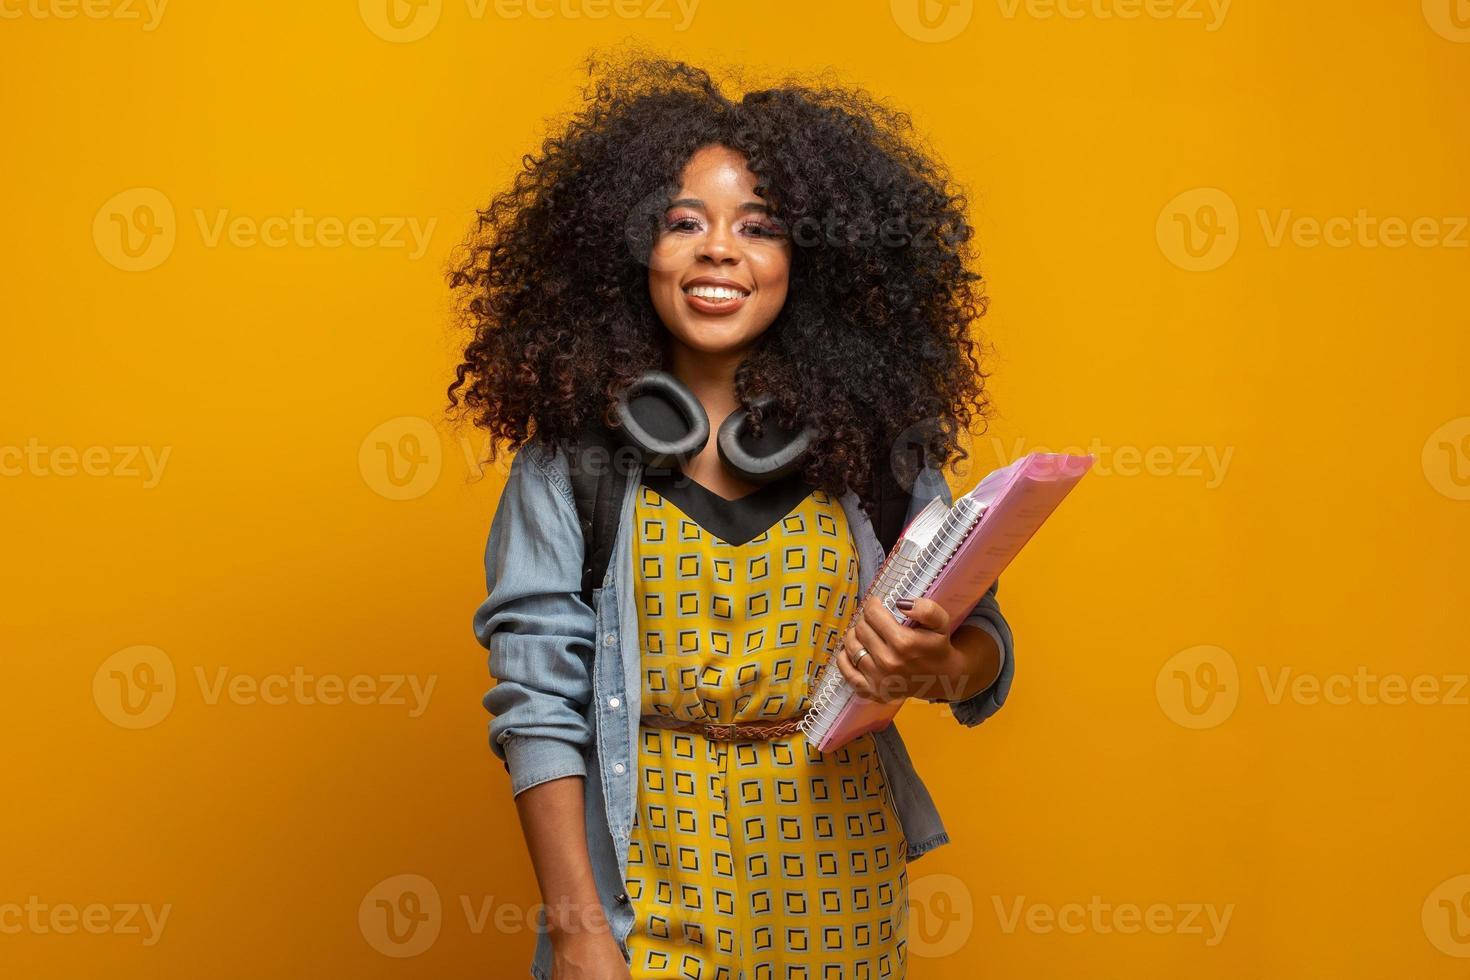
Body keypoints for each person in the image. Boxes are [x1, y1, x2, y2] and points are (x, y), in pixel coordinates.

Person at [450, 54, 1016, 980]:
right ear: (631, 249)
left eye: (760, 228)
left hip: (840, 893)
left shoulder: (875, 449)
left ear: (812, 260)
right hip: (644, 883)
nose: (720, 250)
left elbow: (982, 648)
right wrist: (582, 934)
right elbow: (537, 706)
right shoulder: (572, 461)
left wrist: (941, 663)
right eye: (684, 223)